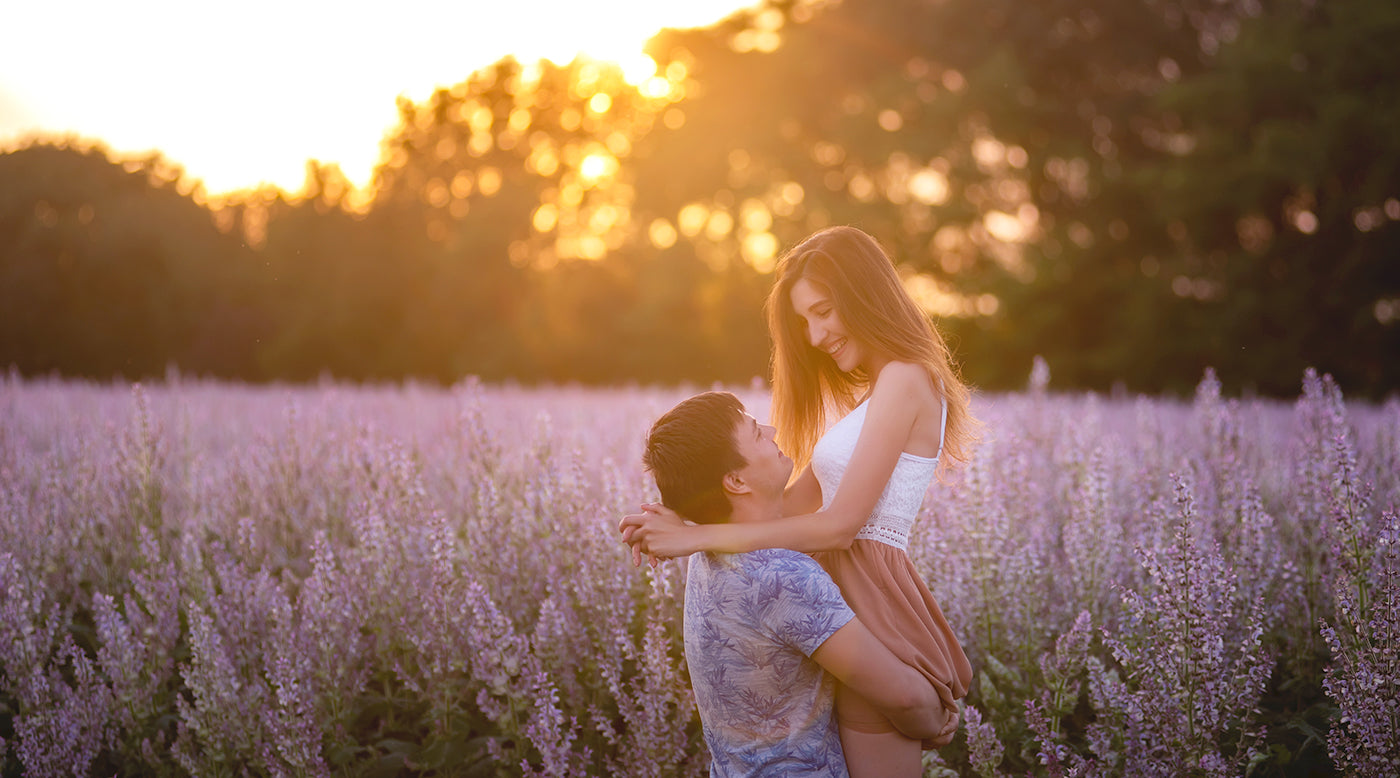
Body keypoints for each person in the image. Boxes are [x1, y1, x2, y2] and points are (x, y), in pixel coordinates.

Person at [622, 225, 976, 778]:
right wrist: (687, 512)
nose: (814, 336)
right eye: (805, 320)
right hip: (834, 597)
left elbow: (838, 527)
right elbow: (782, 508)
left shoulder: (907, 379)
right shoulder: (876, 393)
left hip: (869, 594)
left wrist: (698, 537)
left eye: (823, 311)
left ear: (866, 294)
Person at [640, 390, 956, 776]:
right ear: (736, 480)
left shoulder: (708, 556)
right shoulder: (781, 578)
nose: (772, 430)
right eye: (756, 432)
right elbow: (906, 700)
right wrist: (939, 715)